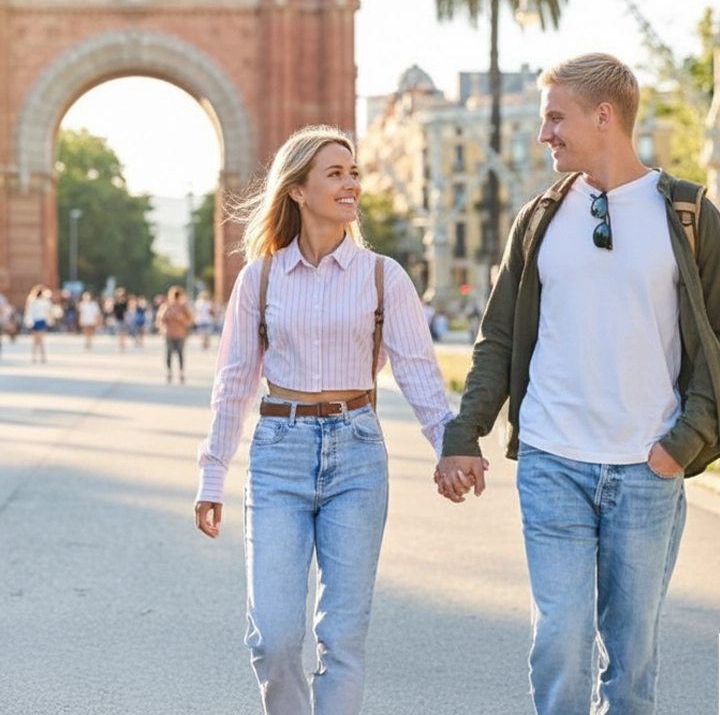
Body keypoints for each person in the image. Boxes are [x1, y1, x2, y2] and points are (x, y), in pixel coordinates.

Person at [436, 53, 720, 715]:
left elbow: (717, 347)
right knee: (559, 641)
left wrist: (685, 441)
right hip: (552, 460)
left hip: (646, 470)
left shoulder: (689, 216)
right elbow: (498, 337)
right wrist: (463, 434)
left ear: (603, 116)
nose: (545, 135)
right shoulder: (538, 220)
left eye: (555, 118)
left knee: (630, 662)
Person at [194, 125, 453, 715]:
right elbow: (233, 384)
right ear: (297, 191)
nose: (351, 184)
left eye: (353, 172)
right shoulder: (258, 279)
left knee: (342, 638)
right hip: (279, 452)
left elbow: (419, 374)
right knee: (275, 638)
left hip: (356, 452)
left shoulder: (384, 276)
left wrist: (450, 448)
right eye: (334, 173)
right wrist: (212, 476)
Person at [156, 286, 194, 383]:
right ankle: (169, 371)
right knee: (169, 354)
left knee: (180, 354)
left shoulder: (183, 307)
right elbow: (160, 320)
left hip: (180, 334)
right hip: (169, 334)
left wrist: (181, 319)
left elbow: (191, 320)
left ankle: (181, 372)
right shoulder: (167, 307)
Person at [24, 284, 55, 363]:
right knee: (37, 340)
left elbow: (50, 311)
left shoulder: (45, 301)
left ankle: (40, 356)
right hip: (36, 321)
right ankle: (36, 356)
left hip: (41, 320)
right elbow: (29, 312)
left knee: (39, 340)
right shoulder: (32, 301)